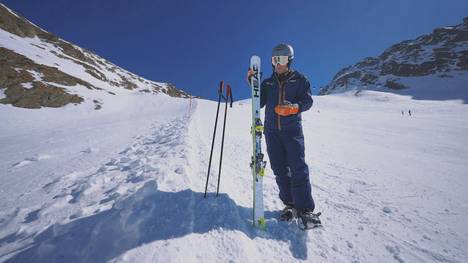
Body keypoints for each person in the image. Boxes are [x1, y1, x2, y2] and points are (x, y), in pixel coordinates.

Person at [247, 44, 320, 228]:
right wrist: (253, 83)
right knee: (279, 170)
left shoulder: (300, 79)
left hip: (292, 130)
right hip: (271, 131)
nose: (278, 64)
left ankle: (305, 210)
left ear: (290, 60)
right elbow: (259, 101)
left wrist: (294, 108)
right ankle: (290, 205)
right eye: (275, 60)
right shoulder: (268, 83)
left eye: (282, 59)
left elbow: (308, 100)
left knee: (298, 168)